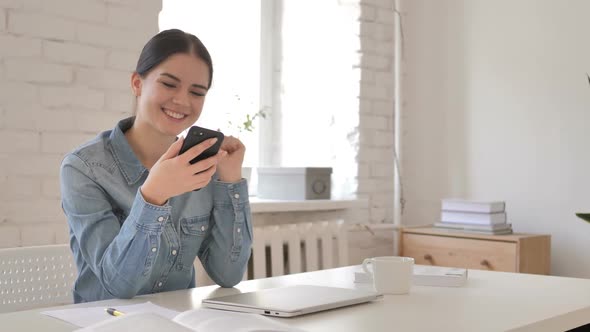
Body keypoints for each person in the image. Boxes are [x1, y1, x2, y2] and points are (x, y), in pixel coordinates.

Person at [60, 29, 252, 303]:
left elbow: (228, 274)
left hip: (177, 322)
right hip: (105, 323)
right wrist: (154, 196)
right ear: (137, 83)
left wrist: (230, 181)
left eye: (197, 92)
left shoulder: (201, 167)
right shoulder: (83, 168)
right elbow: (119, 286)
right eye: (169, 84)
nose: (183, 101)